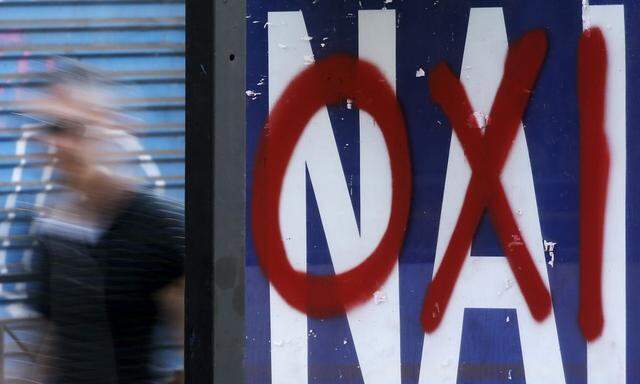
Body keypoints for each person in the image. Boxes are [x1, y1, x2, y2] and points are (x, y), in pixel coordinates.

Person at [24, 58, 184, 383]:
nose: (59, 144)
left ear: (110, 129)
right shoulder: (54, 230)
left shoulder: (158, 229)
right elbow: (53, 345)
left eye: (74, 129)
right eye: (52, 128)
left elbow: (200, 349)